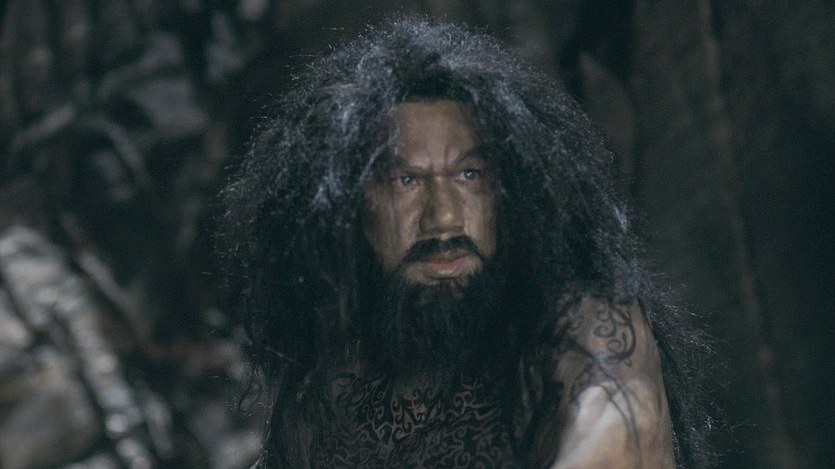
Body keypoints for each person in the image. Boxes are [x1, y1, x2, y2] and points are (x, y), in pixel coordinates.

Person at [218, 17, 713, 468]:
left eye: (469, 175)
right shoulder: (327, 390)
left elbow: (612, 443)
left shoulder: (583, 328)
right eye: (405, 182)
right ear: (349, 208)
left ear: (511, 191)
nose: (444, 218)